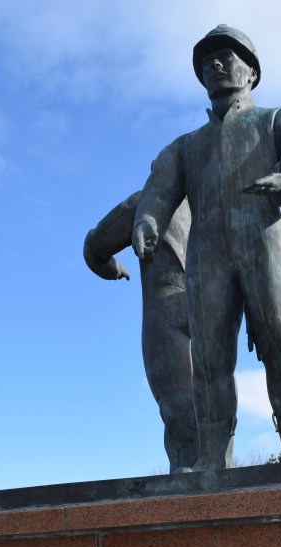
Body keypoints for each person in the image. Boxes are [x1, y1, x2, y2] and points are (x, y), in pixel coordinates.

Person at [132, 25, 281, 470]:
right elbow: (159, 193)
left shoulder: (278, 120)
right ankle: (212, 458)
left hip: (264, 241)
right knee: (208, 357)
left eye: (227, 56)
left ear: (252, 72)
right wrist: (147, 221)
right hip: (207, 256)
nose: (216, 65)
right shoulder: (186, 146)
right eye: (207, 61)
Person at [84, 194, 198, 472]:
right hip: (204, 308)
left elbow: (95, 246)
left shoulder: (149, 199)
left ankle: (196, 498)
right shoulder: (210, 201)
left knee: (185, 419)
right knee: (203, 416)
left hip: (168, 308)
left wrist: (111, 269)